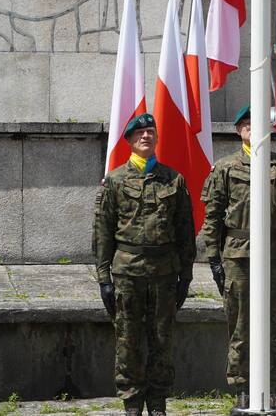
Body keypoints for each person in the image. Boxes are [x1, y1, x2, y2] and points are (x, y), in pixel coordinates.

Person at [199, 105, 276, 416]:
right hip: (238, 253)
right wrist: (213, 258)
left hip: (275, 252)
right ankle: (242, 389)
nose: (253, 128)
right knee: (240, 325)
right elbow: (211, 219)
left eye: (258, 123)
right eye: (247, 124)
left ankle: (274, 390)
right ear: (239, 131)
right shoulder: (225, 168)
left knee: (275, 325)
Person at [93, 113, 196, 416]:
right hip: (127, 273)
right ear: (129, 141)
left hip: (164, 273)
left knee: (162, 339)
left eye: (151, 132)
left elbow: (185, 230)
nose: (146, 137)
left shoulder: (173, 179)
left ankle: (158, 402)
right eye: (140, 134)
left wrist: (186, 276)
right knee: (128, 340)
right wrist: (103, 279)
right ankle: (132, 403)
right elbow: (102, 232)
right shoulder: (114, 181)